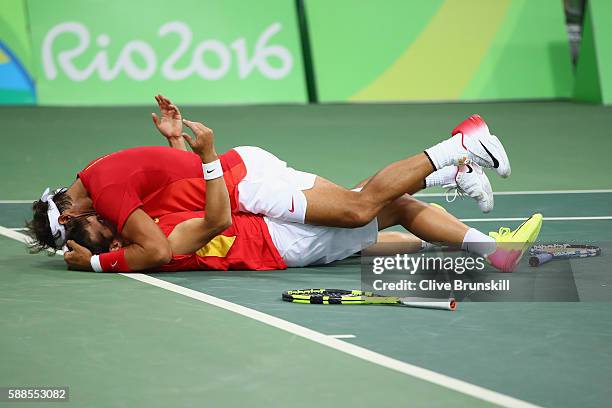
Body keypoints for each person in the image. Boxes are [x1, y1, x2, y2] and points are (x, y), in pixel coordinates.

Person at [27, 95, 509, 273]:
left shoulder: (118, 210)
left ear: (71, 215)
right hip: (249, 195)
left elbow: (156, 250)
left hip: (247, 190)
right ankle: (451, 173)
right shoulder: (109, 190)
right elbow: (184, 185)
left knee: (358, 208)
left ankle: (456, 148)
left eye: (82, 232)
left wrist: (95, 261)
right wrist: (181, 147)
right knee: (373, 214)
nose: (104, 232)